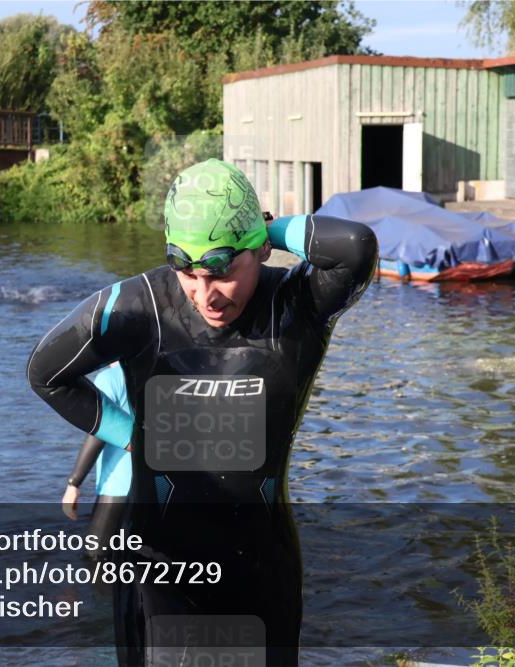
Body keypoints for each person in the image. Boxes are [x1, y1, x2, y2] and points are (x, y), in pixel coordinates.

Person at [28, 158, 378, 666]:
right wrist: (134, 437)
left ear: (257, 249)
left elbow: (357, 247)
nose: (204, 294)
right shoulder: (139, 305)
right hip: (157, 571)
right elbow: (45, 373)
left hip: (260, 570)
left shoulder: (296, 306)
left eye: (221, 271)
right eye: (186, 271)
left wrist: (267, 229)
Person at [62, 363, 132, 560]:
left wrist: (74, 483)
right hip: (159, 486)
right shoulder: (159, 370)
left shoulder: (110, 378)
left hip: (118, 488)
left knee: (95, 557)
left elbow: (100, 431)